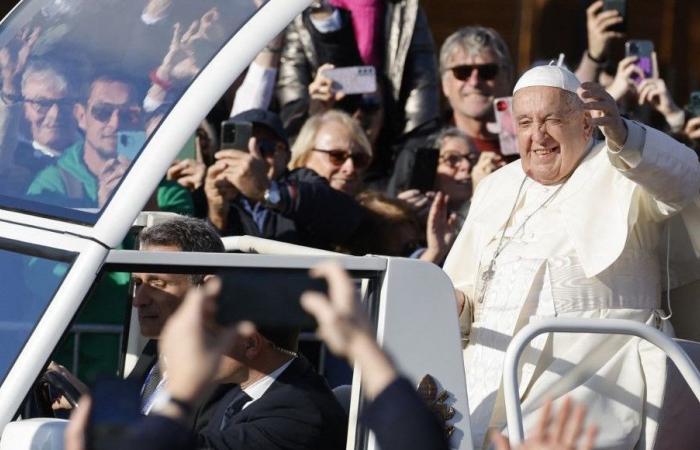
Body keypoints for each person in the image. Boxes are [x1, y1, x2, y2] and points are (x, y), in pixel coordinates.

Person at [443, 64, 700, 448]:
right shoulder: (497, 186)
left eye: (552, 119)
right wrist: (459, 305)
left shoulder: (624, 168)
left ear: (585, 124)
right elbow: (467, 293)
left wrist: (624, 134)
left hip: (595, 378)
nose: (538, 136)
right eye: (526, 122)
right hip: (490, 377)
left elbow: (686, 180)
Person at [65, 262, 450, 450]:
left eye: (208, 336)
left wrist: (181, 389)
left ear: (250, 344)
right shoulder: (239, 389)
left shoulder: (299, 413)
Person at [277, 0, 440, 177]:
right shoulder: (304, 8)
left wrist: (410, 167)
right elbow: (292, 87)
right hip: (325, 115)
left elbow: (422, 92)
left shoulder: (404, 6)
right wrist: (308, 114)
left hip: (383, 127)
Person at [204, 108, 365, 250]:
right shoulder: (216, 193)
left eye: (265, 148)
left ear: (287, 155)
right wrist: (217, 216)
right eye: (244, 150)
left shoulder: (303, 180)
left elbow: (346, 215)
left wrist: (268, 191)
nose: (253, 160)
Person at [27, 72, 141, 208]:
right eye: (102, 111)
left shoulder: (153, 172)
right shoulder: (51, 184)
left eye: (127, 114)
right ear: (81, 116)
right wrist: (104, 209)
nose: (115, 123)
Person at [288, 109, 372, 196]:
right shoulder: (279, 205)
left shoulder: (373, 208)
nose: (350, 169)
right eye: (337, 156)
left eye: (358, 159)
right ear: (304, 157)